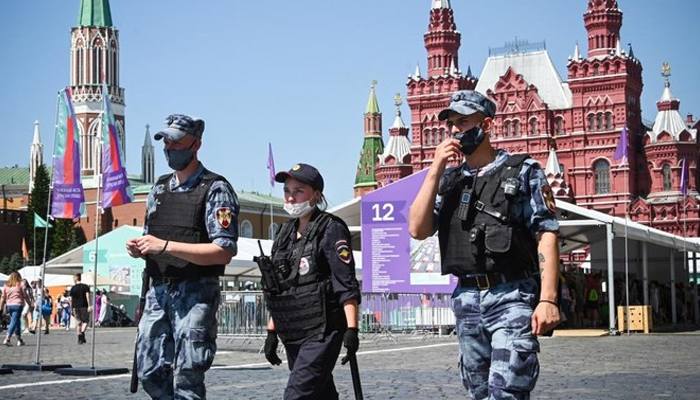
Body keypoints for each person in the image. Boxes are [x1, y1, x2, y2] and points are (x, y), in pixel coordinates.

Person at [408, 90, 560, 400]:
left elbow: (546, 231)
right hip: (467, 299)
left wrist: (548, 299)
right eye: (450, 124)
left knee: (505, 391)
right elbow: (417, 228)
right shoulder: (449, 181)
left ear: (486, 125)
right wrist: (435, 170)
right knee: (479, 393)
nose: (454, 130)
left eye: (463, 122)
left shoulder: (523, 171)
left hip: (512, 293)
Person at [126, 113, 239, 399]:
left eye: (177, 143)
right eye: (166, 142)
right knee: (149, 370)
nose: (170, 148)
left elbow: (223, 251)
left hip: (196, 292)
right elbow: (151, 238)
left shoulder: (215, 189)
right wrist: (140, 249)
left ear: (196, 144)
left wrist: (165, 246)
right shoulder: (159, 188)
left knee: (188, 375)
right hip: (159, 291)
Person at [262, 163, 361, 400]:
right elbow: (281, 289)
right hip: (294, 330)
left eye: (298, 191)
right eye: (287, 191)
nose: (291, 197)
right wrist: (272, 332)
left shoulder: (331, 229)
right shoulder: (284, 234)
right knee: (321, 394)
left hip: (322, 331)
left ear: (316, 195)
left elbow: (345, 284)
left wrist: (352, 329)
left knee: (297, 395)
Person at [1, 271, 32, 346]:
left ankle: (19, 339)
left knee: (17, 321)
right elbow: (25, 295)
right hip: (18, 305)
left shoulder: (6, 285)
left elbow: (3, 297)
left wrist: (0, 307)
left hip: (9, 305)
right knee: (14, 321)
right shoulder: (21, 284)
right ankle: (7, 338)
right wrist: (30, 304)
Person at [69, 273, 91, 344]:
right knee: (85, 321)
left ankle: (79, 338)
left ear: (76, 278)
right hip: (84, 306)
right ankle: (82, 333)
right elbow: (88, 296)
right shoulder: (85, 286)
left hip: (75, 306)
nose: (73, 279)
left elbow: (70, 299)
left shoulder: (73, 288)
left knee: (78, 322)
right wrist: (89, 305)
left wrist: (71, 308)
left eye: (73, 278)